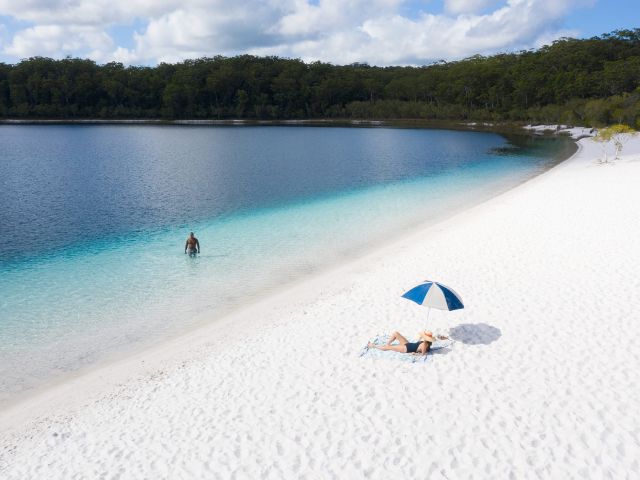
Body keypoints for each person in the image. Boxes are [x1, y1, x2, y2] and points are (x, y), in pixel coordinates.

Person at [368, 330, 436, 355]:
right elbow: (419, 343)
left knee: (388, 348)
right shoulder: (425, 342)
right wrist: (422, 336)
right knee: (395, 333)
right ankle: (387, 343)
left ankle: (373, 346)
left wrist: (414, 353)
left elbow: (422, 354)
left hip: (406, 349)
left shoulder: (424, 345)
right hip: (408, 344)